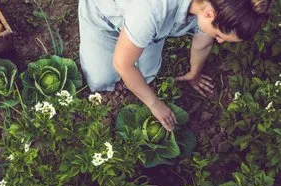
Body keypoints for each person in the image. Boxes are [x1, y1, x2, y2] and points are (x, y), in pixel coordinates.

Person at [78, 0, 273, 131]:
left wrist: (194, 73)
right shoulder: (152, 10)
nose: (220, 42)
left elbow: (203, 41)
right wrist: (154, 104)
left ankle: (137, 41)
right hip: (106, 17)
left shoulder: (213, 5)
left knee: (147, 75)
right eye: (219, 36)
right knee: (100, 80)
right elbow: (123, 64)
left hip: (148, 28)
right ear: (208, 15)